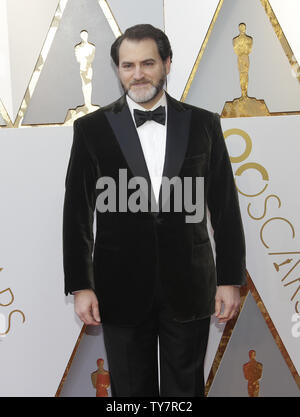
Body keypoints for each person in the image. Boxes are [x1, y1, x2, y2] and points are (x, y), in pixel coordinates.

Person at [63, 24, 246, 397]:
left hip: (191, 285)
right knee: (130, 394)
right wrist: (81, 285)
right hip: (119, 286)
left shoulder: (204, 124)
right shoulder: (91, 129)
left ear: (166, 63)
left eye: (147, 63)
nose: (138, 74)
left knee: (186, 392)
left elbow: (225, 207)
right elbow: (77, 213)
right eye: (127, 65)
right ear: (117, 70)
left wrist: (229, 278)